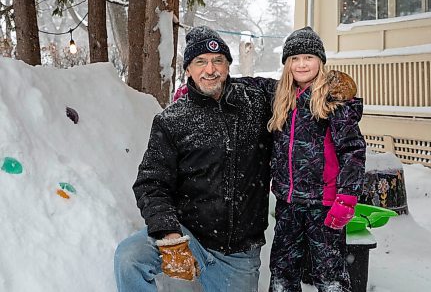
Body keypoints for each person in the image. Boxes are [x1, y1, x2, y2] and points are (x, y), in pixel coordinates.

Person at [114, 26, 275, 292]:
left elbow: (297, 89)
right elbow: (151, 183)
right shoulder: (172, 121)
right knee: (129, 258)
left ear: (228, 66)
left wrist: (328, 87)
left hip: (238, 254)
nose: (209, 70)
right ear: (188, 69)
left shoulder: (255, 105)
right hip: (188, 236)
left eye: (217, 61)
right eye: (200, 62)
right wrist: (170, 235)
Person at [267, 27, 366, 292]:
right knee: (281, 274)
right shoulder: (282, 98)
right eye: (295, 58)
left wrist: (347, 196)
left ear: (320, 62)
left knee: (329, 276)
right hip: (289, 204)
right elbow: (249, 85)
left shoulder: (333, 100)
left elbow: (353, 150)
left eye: (308, 57)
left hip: (323, 204)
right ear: (287, 64)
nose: (302, 64)